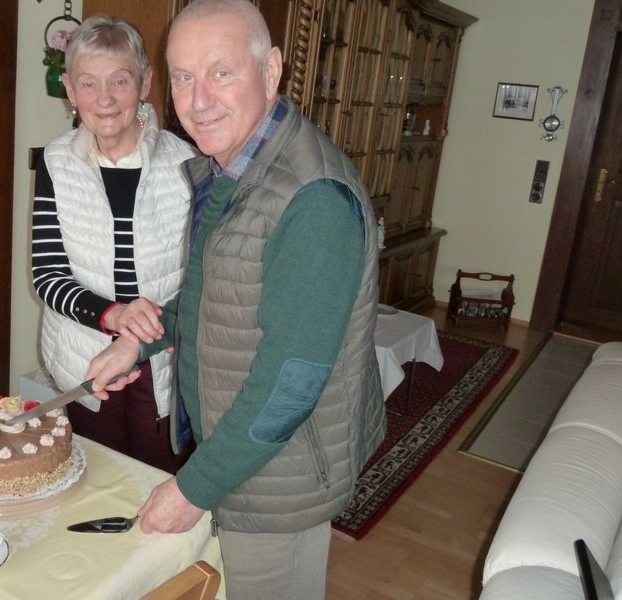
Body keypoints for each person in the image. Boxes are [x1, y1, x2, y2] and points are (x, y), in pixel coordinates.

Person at [86, 1, 386, 597]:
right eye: (184, 77)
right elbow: (215, 301)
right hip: (242, 457)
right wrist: (138, 345)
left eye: (221, 72)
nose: (198, 100)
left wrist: (192, 489)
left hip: (281, 482)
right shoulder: (236, 167)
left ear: (271, 71)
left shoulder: (313, 199)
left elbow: (290, 385)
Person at [32, 14, 196, 474]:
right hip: (86, 355)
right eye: (88, 83)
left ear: (145, 82)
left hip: (162, 361)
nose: (104, 99)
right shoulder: (56, 162)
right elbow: (46, 275)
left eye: (119, 81)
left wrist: (159, 327)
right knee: (95, 479)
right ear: (70, 89)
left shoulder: (189, 164)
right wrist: (113, 315)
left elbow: (204, 275)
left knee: (157, 480)